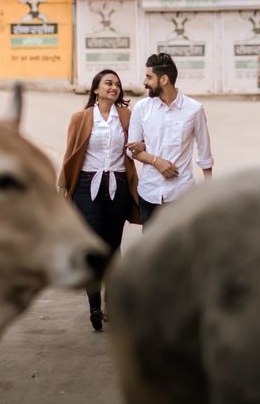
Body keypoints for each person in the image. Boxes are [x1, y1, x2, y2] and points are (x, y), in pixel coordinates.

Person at [59, 69, 139, 331]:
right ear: (95, 89)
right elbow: (70, 155)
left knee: (113, 247)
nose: (113, 87)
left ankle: (110, 304)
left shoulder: (127, 116)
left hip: (117, 185)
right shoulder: (80, 118)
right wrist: (63, 188)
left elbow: (138, 146)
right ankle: (94, 307)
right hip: (85, 186)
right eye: (108, 83)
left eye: (117, 84)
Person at [127, 53, 213, 225]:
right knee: (151, 249)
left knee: (182, 248)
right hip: (149, 193)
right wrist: (156, 161)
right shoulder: (142, 108)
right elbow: (131, 150)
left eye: (149, 77)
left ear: (164, 79)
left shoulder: (194, 109)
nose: (144, 82)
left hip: (181, 194)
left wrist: (208, 194)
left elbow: (205, 154)